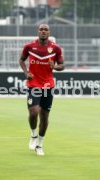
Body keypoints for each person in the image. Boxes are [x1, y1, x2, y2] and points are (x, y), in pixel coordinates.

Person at [19, 24, 64, 156]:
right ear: (38, 32)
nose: (43, 32)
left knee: (44, 117)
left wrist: (55, 66)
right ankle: (33, 135)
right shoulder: (29, 47)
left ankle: (40, 145)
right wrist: (26, 72)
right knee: (33, 112)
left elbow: (62, 65)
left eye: (46, 30)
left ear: (49, 32)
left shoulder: (55, 48)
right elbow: (21, 60)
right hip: (33, 84)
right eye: (41, 30)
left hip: (48, 86)